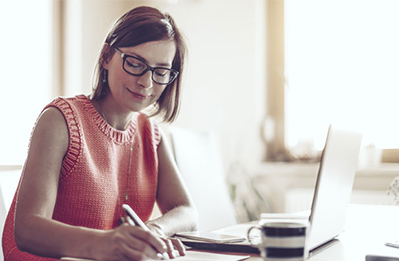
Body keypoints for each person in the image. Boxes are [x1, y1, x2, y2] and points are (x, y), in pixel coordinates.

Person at [2, 6, 198, 261]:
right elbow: (27, 230)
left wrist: (153, 229)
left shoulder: (151, 134)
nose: (146, 83)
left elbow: (187, 211)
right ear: (106, 56)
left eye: (160, 71)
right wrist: (107, 243)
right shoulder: (60, 119)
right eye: (136, 63)